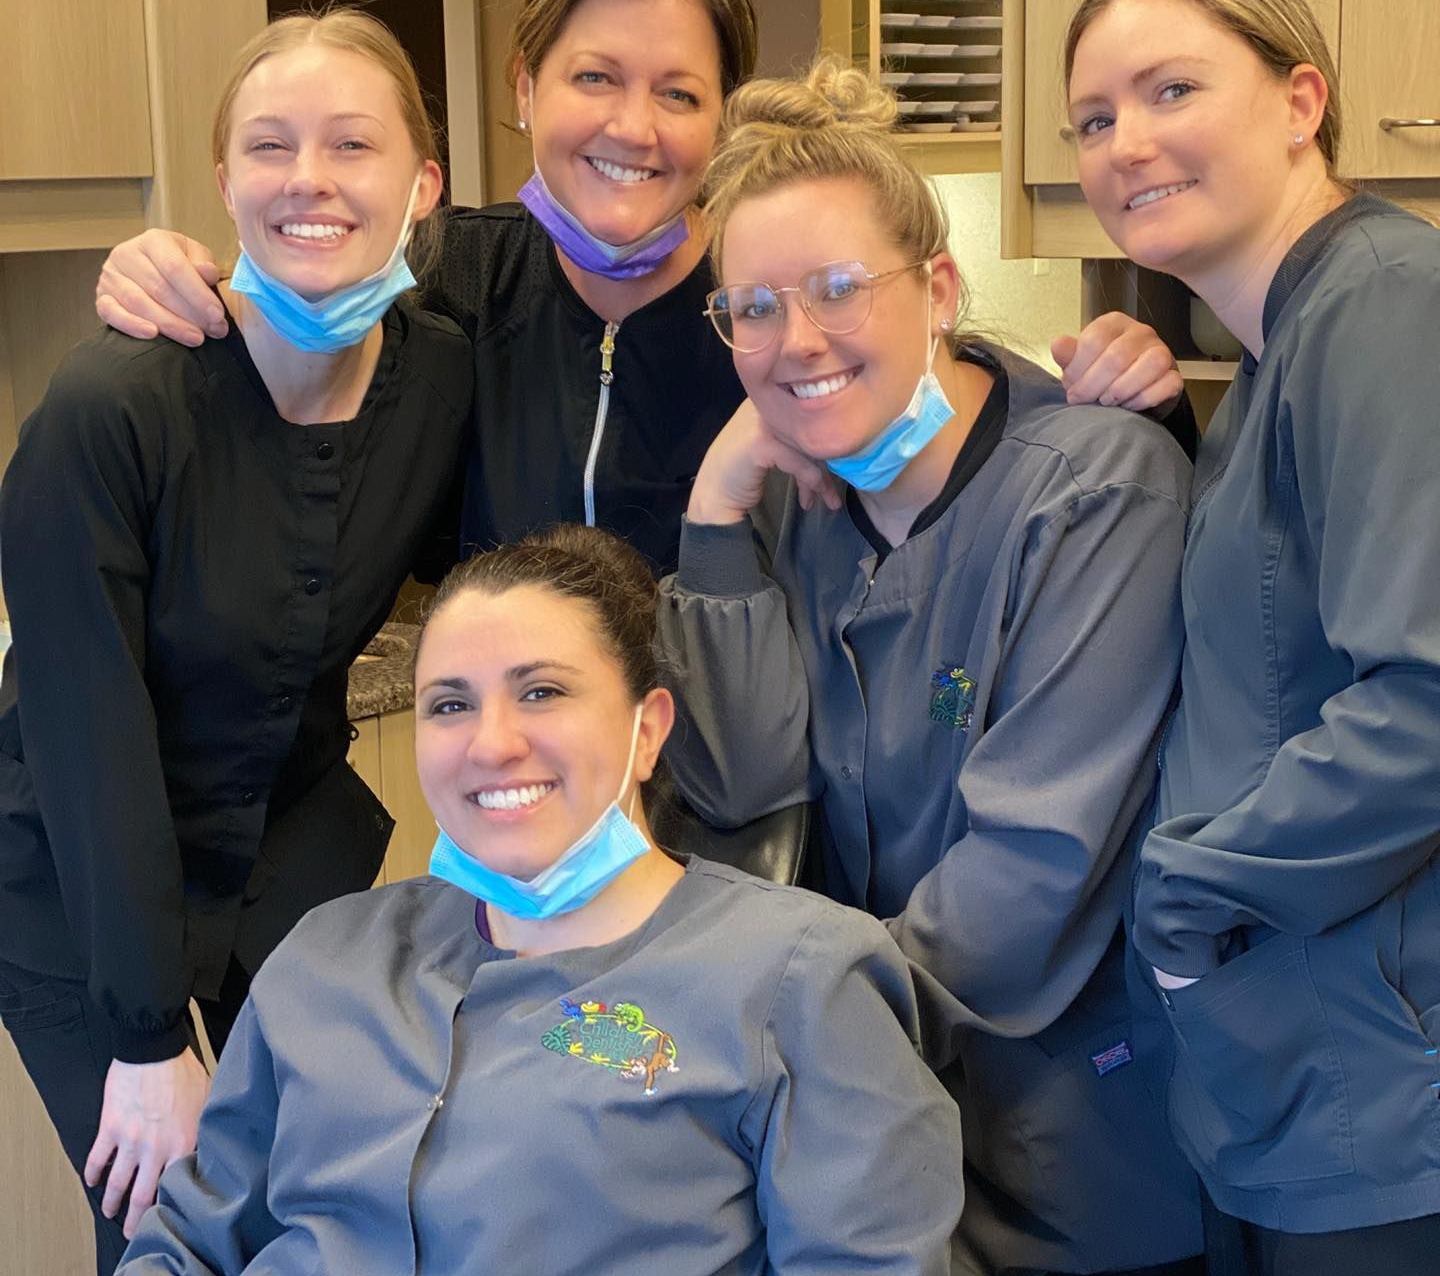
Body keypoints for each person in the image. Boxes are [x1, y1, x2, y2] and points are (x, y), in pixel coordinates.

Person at [91, 0, 1182, 575]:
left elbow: (963, 414)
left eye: (678, 93)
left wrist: (1137, 405)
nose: (632, 127)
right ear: (526, 85)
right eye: (594, 78)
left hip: (752, 805)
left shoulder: (772, 310)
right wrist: (169, 272)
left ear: (724, 114)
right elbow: (280, 376)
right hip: (524, 795)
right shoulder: (440, 281)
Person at [652, 56, 1203, 1276]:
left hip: (1069, 1159)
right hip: (871, 1140)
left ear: (940, 288)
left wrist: (788, 1036)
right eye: (752, 309)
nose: (794, 341)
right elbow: (747, 791)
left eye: (837, 289)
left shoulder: (1095, 491)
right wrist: (715, 508)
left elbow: (1031, 874)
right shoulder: (796, 504)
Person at [116, 524, 965, 1276]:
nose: (492, 743)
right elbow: (189, 1239)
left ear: (648, 730)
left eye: (542, 692)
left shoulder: (803, 983)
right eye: (450, 704)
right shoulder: (327, 955)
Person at [0, 9, 471, 1273]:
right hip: (81, 883)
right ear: (224, 183)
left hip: (285, 851)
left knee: (328, 1199)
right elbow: (87, 742)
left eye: (352, 145)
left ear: (424, 184)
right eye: (270, 146)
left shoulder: (439, 380)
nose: (309, 178)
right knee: (170, 1217)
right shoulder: (108, 411)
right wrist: (148, 1040)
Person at [1065, 0, 1440, 1274]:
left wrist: (1187, 895)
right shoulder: (1281, 344)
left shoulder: (1385, 304)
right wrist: (1164, 426)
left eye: (1171, 90)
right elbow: (1278, 636)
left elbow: (1425, 702)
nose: (1126, 143)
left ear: (1300, 101)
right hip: (1286, 1050)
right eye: (1093, 119)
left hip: (1375, 1072)